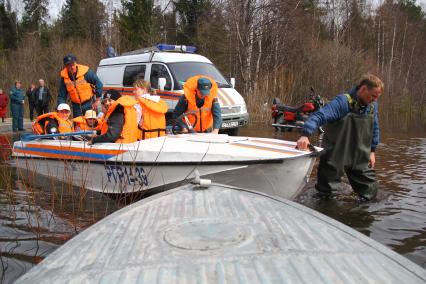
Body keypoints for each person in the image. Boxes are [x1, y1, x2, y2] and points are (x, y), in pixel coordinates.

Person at [296, 74, 384, 202]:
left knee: (371, 191)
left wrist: (372, 151)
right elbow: (318, 116)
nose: (375, 100)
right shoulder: (342, 102)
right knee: (327, 197)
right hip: (335, 156)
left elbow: (375, 128)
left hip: (359, 156)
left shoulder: (372, 106)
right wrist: (305, 135)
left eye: (377, 97)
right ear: (363, 89)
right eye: (373, 96)